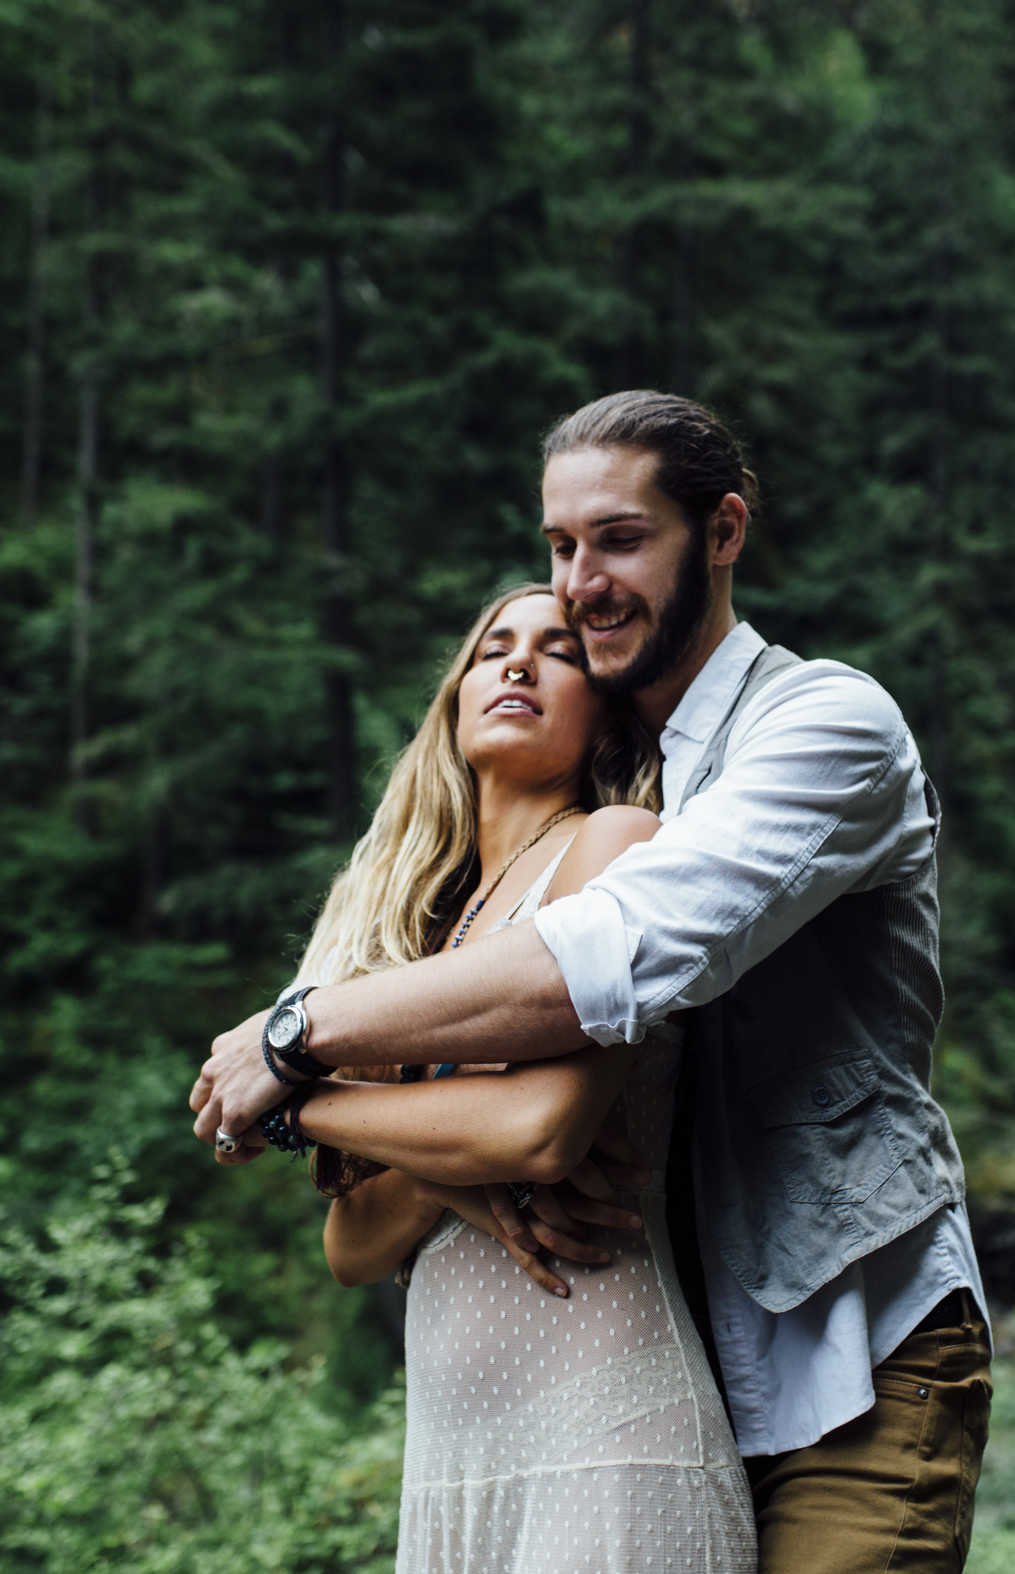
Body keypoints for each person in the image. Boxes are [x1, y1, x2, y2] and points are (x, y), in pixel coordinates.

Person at [194, 391, 990, 1574]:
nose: (580, 582)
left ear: (722, 532)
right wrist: (435, 1164)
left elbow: (611, 961)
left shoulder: (825, 723)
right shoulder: (605, 786)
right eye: (561, 546)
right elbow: (383, 1215)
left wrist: (293, 1038)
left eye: (620, 538)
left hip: (844, 1356)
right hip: (664, 1350)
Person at [266, 580, 756, 1574]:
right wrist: (449, 1171)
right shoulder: (415, 942)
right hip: (449, 1471)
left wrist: (304, 1102)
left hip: (613, 1430)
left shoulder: (614, 844)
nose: (518, 664)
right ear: (452, 700)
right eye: (493, 647)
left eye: (560, 650)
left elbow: (538, 1134)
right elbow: (352, 1242)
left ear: (608, 706)